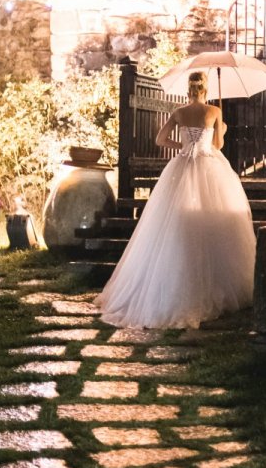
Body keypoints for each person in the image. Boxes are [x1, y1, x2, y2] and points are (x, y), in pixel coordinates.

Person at [97, 71, 256, 328]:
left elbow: (160, 139)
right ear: (205, 90)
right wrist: (221, 129)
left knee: (172, 220)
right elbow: (218, 145)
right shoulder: (215, 110)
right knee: (213, 217)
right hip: (208, 164)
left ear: (189, 90)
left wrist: (181, 146)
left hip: (182, 163)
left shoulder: (179, 112)